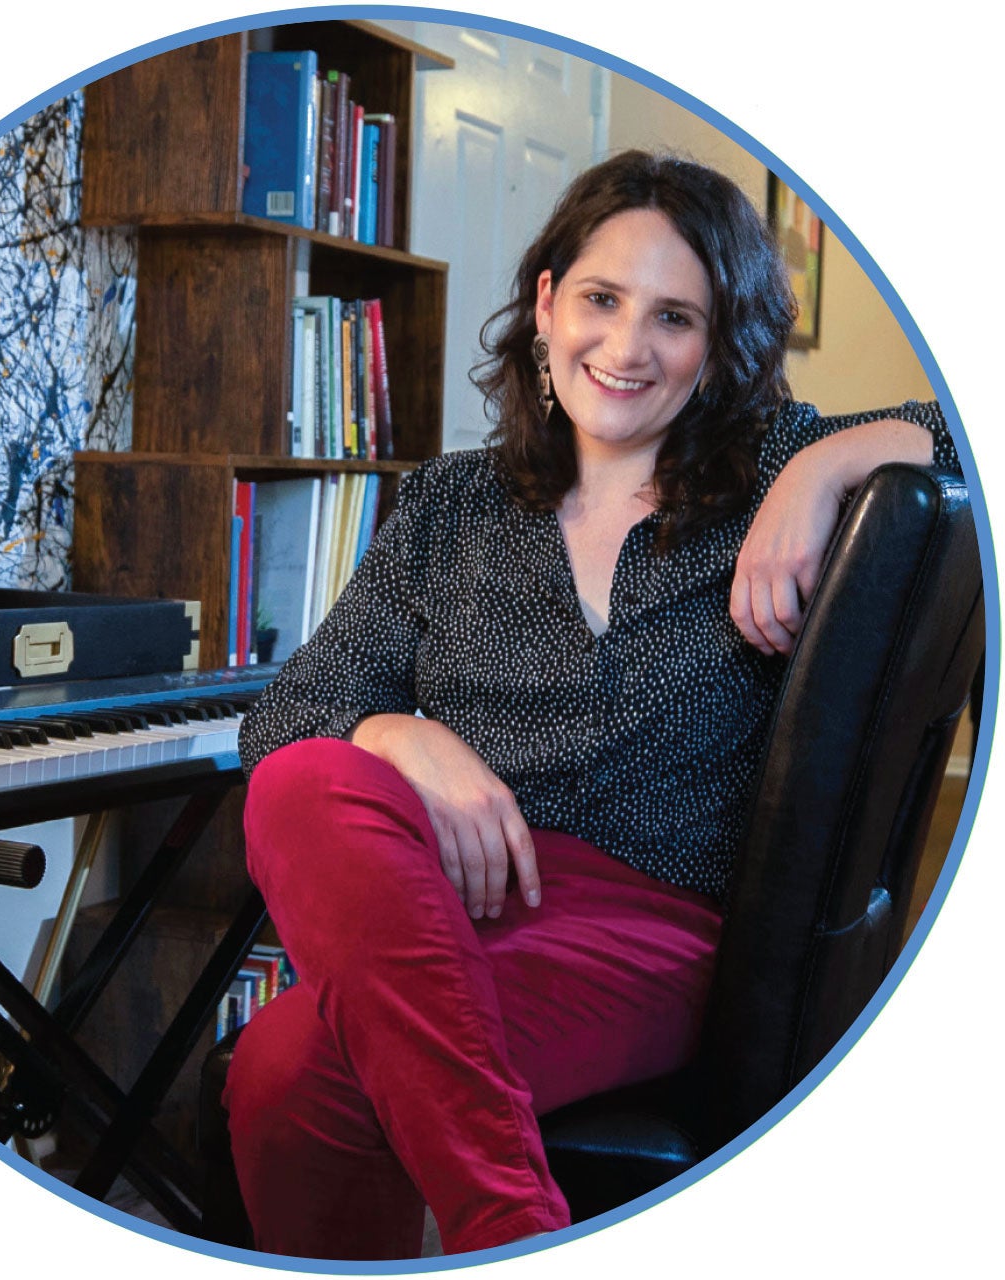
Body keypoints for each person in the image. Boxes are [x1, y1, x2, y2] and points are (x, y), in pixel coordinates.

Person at [221, 150, 957, 1261]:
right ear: (545, 303)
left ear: (716, 344)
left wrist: (826, 469)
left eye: (674, 317)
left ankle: (505, 1225)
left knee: (294, 1071)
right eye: (602, 299)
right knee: (300, 778)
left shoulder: (771, 467)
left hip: (656, 931)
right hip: (435, 919)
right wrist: (404, 737)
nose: (625, 347)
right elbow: (280, 719)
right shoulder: (449, 505)